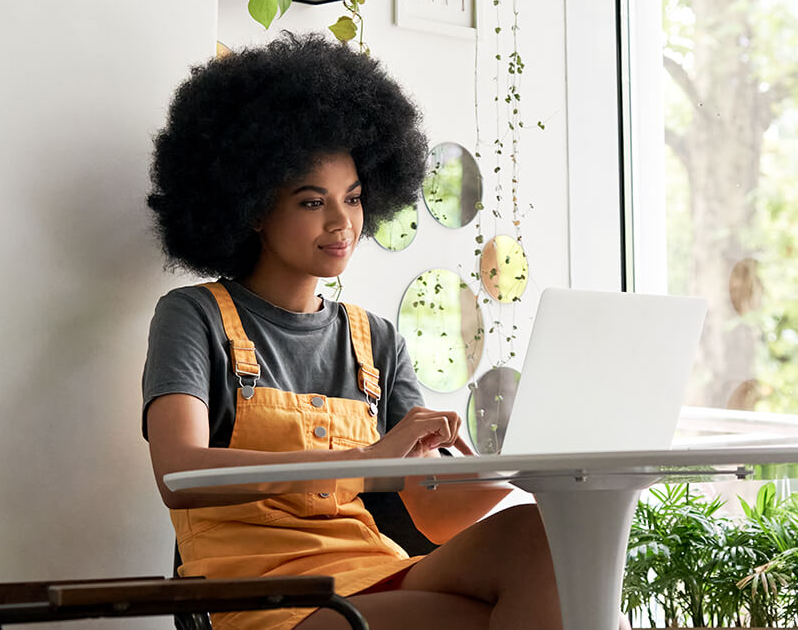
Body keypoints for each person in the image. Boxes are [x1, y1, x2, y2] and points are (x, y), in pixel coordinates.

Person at [142, 34, 562, 630]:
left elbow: (434, 516)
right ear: (254, 207)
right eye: (313, 202)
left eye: (355, 198)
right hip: (266, 598)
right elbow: (179, 476)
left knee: (540, 533)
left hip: (373, 570)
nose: (343, 223)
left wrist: (519, 469)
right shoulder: (194, 316)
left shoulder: (377, 340)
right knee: (471, 616)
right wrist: (365, 458)